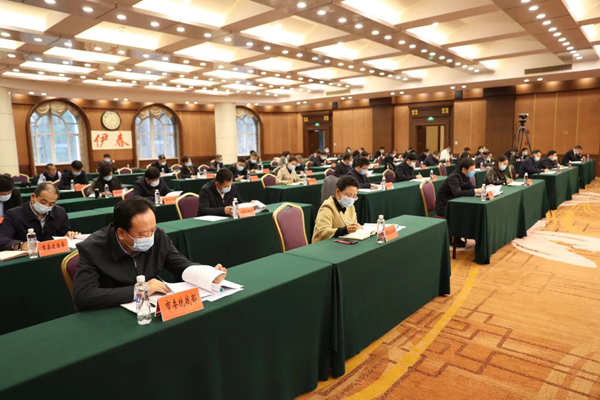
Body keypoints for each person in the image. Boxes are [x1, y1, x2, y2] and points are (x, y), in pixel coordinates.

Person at [73, 197, 227, 311]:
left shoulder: (158, 236)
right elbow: (84, 296)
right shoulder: (92, 249)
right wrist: (141, 289)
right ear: (121, 233)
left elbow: (180, 264)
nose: (150, 237)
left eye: (152, 230)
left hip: (150, 309)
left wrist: (208, 275)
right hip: (113, 315)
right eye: (143, 234)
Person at [0, 182, 79, 251]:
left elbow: (64, 233)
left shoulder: (60, 212)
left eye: (51, 203)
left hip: (52, 252)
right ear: (33, 197)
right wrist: (20, 245)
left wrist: (69, 234)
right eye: (43, 201)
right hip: (27, 255)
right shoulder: (13, 214)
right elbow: (2, 239)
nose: (46, 206)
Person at [312, 176, 361, 243]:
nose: (351, 199)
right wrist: (345, 230)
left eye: (354, 196)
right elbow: (323, 232)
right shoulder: (327, 207)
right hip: (324, 244)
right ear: (338, 192)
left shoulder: (351, 207)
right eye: (349, 195)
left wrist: (355, 227)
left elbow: (353, 224)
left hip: (343, 242)